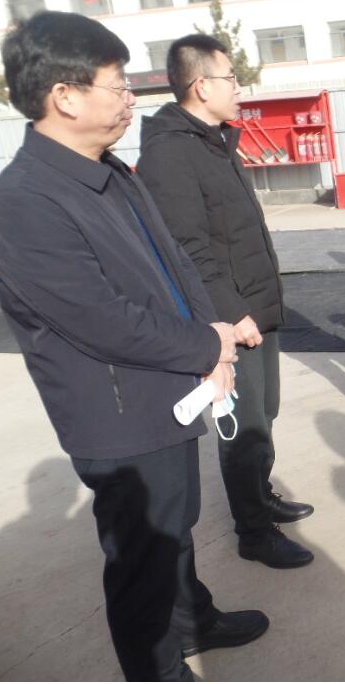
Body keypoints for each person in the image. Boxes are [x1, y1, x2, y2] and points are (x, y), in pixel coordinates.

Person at [0, 11, 267, 680]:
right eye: (117, 85)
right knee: (142, 560)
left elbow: (176, 264)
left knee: (174, 525)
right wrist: (204, 345)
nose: (130, 98)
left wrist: (215, 340)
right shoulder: (26, 202)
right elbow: (104, 321)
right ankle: (157, 668)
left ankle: (193, 618)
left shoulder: (109, 171)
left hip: (167, 388)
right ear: (65, 96)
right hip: (119, 418)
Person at [137, 34, 315, 570]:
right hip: (232, 316)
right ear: (201, 85)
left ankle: (262, 496)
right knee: (244, 427)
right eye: (231, 78)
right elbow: (188, 248)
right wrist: (231, 315)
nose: (239, 87)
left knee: (265, 412)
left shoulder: (214, 140)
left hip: (256, 303)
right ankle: (254, 532)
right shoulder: (170, 152)